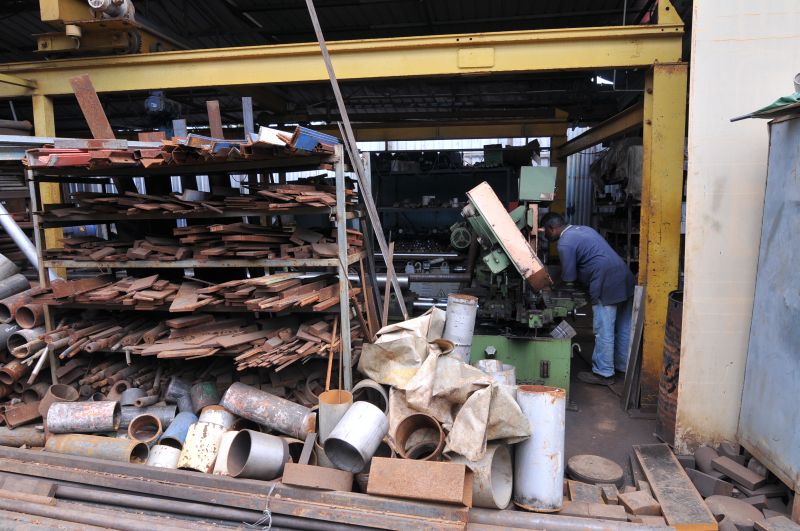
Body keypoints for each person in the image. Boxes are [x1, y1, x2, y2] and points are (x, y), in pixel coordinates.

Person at [541, 212, 635, 386]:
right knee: (623, 327)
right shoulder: (584, 230)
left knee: (604, 328)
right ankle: (622, 366)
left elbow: (569, 277)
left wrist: (552, 285)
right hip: (625, 277)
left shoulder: (564, 243)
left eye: (544, 232)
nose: (544, 236)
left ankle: (604, 373)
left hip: (606, 283)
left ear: (552, 228)